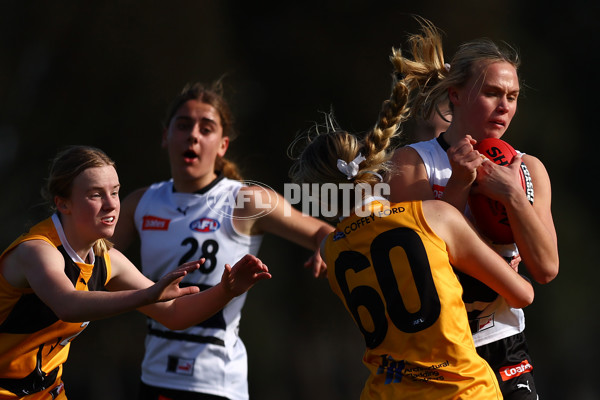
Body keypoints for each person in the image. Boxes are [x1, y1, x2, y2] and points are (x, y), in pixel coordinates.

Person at [287, 71, 534, 398]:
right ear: (372, 167)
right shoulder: (432, 215)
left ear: (320, 199)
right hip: (461, 388)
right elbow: (523, 295)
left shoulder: (333, 250)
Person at [111, 80, 334, 400]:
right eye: (184, 125)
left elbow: (322, 232)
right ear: (166, 136)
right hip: (155, 376)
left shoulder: (246, 202)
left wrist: (324, 249)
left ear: (223, 145)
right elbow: (95, 264)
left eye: (206, 128)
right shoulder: (140, 203)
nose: (193, 135)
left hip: (217, 382)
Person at [0, 145, 271, 400]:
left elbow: (174, 313)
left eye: (115, 192)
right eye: (96, 194)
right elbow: (68, 304)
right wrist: (148, 294)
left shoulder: (105, 259)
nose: (111, 205)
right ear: (63, 204)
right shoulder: (37, 251)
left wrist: (227, 291)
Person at [387, 18, 559, 399]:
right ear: (456, 95)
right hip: (439, 351)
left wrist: (512, 196)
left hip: (505, 344)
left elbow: (546, 268)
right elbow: (423, 265)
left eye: (512, 97)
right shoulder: (413, 162)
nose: (504, 106)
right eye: (492, 93)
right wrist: (459, 187)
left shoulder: (529, 168)